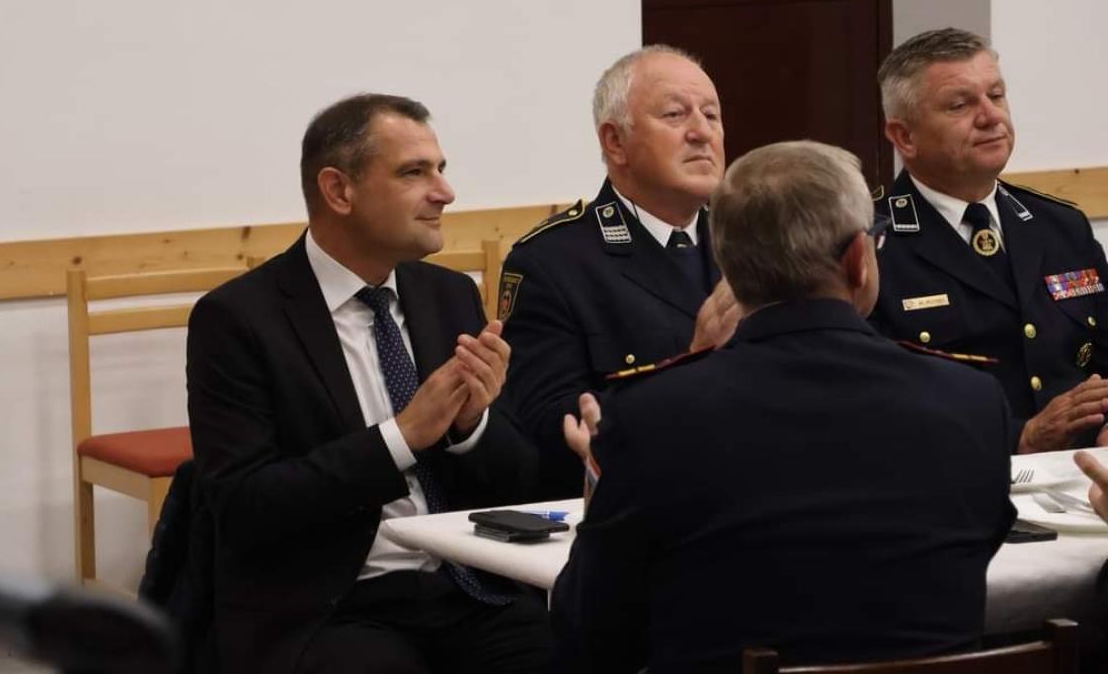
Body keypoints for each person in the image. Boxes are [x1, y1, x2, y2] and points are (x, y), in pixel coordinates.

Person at [550, 140, 1016, 673]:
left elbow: (589, 638)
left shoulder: (650, 416)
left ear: (727, 265)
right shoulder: (971, 399)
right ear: (858, 260)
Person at [186, 94, 550, 673]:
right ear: (339, 191)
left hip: (464, 587)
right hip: (331, 603)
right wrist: (401, 437)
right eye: (413, 172)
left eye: (441, 169)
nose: (445, 192)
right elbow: (246, 507)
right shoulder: (238, 319)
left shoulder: (448, 295)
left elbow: (520, 479)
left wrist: (470, 426)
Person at [499, 45, 741, 498]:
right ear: (615, 142)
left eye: (712, 115)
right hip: (639, 503)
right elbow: (549, 427)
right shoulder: (553, 261)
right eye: (675, 115)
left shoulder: (752, 243)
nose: (701, 132)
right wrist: (692, 363)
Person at [871, 28, 1108, 453]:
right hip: (958, 480)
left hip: (1083, 476)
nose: (990, 116)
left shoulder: (1060, 226)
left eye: (996, 96)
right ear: (905, 136)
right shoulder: (869, 245)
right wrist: (1020, 437)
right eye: (960, 105)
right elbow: (874, 406)